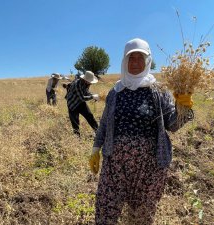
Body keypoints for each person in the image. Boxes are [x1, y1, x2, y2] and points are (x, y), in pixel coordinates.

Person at [89, 38, 194, 225]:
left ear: (148, 61)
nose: (136, 62)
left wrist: (183, 109)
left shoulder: (159, 90)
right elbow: (105, 123)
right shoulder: (116, 91)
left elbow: (172, 125)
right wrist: (95, 148)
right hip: (115, 165)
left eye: (140, 57)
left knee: (142, 216)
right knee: (105, 208)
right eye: (131, 57)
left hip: (150, 167)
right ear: (125, 61)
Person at [66, 71, 100, 136]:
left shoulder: (87, 84)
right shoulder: (77, 84)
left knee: (90, 116)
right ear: (85, 79)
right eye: (90, 81)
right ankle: (77, 138)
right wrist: (92, 97)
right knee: (75, 122)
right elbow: (82, 98)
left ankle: (98, 132)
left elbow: (86, 92)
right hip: (72, 104)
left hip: (80, 103)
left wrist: (93, 95)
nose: (91, 83)